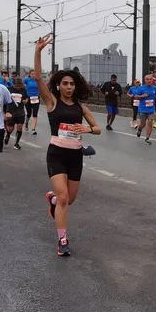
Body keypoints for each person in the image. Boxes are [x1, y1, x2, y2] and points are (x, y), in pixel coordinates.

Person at [34, 35, 102, 256]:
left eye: (72, 84)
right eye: (65, 83)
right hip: (56, 154)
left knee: (69, 199)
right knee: (64, 197)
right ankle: (62, 241)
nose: (69, 87)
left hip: (75, 156)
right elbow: (38, 80)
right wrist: (38, 51)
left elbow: (98, 128)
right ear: (59, 85)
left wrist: (88, 129)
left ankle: (52, 199)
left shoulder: (81, 108)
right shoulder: (52, 101)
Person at [4, 78, 29, 150]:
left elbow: (27, 97)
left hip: (20, 112)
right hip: (11, 112)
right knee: (10, 129)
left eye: (19, 86)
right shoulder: (9, 89)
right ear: (13, 84)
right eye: (17, 86)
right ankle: (8, 135)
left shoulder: (23, 90)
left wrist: (26, 101)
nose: (18, 87)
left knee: (20, 127)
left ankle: (16, 143)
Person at [134, 74, 156, 145]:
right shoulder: (141, 88)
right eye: (147, 79)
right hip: (142, 109)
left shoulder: (154, 88)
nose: (149, 81)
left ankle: (147, 138)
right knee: (143, 124)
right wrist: (142, 96)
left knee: (150, 123)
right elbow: (135, 96)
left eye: (150, 79)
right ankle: (139, 129)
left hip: (151, 109)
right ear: (145, 80)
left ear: (152, 80)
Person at [23, 70, 40, 134]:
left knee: (35, 114)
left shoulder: (38, 80)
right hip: (28, 98)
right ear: (30, 74)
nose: (33, 75)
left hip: (36, 98)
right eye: (32, 74)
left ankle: (33, 129)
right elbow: (21, 84)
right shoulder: (27, 80)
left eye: (35, 74)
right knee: (29, 113)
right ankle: (26, 123)